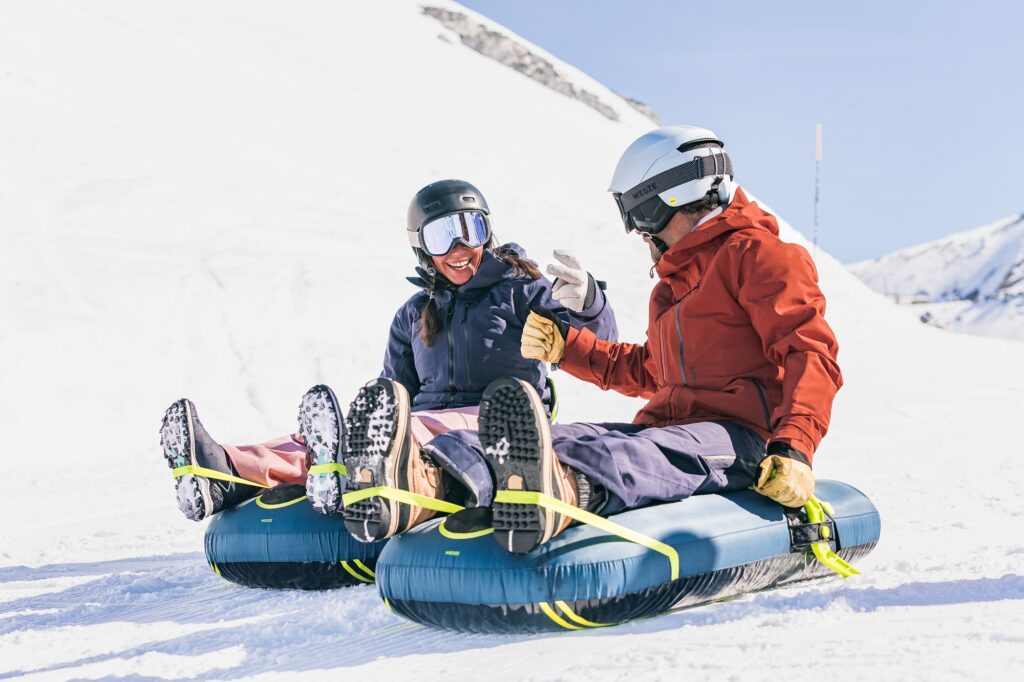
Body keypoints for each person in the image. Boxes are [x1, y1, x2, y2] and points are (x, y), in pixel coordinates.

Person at [357, 125, 843, 555]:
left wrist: (794, 447)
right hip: (669, 427)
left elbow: (810, 352)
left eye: (634, 213)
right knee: (556, 436)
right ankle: (422, 487)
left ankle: (556, 492)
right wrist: (567, 349)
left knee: (628, 453)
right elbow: (651, 372)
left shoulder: (762, 256)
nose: (635, 230)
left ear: (663, 200)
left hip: (739, 438)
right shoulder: (673, 285)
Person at [158, 179, 617, 528]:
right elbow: (396, 393)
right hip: (423, 424)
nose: (460, 248)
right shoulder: (414, 313)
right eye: (443, 237)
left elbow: (599, 349)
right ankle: (224, 468)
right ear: (421, 246)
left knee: (412, 428)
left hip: (501, 422)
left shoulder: (524, 290)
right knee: (346, 434)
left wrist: (590, 303)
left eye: (470, 230)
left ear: (488, 233)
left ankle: (351, 463)